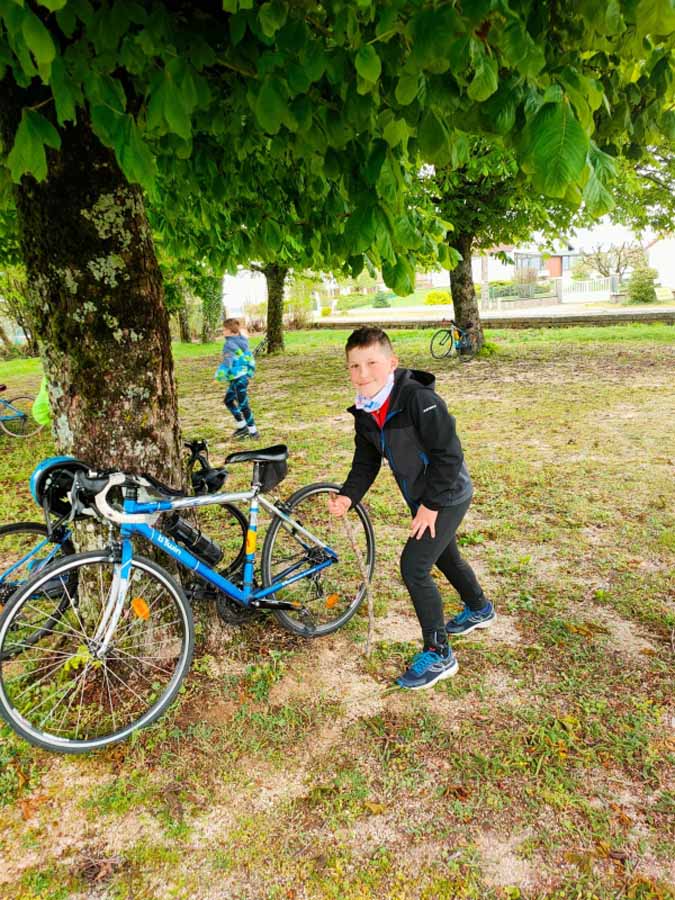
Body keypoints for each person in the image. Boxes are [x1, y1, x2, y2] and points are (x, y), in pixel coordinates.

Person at [328, 326, 494, 690]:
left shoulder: (418, 399)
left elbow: (449, 456)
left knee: (414, 566)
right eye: (354, 366)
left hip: (447, 493)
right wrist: (348, 496)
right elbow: (366, 461)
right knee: (444, 555)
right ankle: (479, 608)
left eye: (372, 363)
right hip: (422, 497)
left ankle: (439, 653)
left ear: (392, 363)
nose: (363, 373)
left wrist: (431, 506)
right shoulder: (366, 409)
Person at [215, 318, 259, 441]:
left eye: (224, 329)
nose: (223, 331)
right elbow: (250, 358)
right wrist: (249, 373)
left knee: (243, 405)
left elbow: (227, 363)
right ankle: (242, 426)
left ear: (230, 331)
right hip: (241, 377)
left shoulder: (229, 345)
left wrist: (218, 376)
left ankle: (253, 432)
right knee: (228, 400)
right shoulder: (243, 341)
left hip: (238, 378)